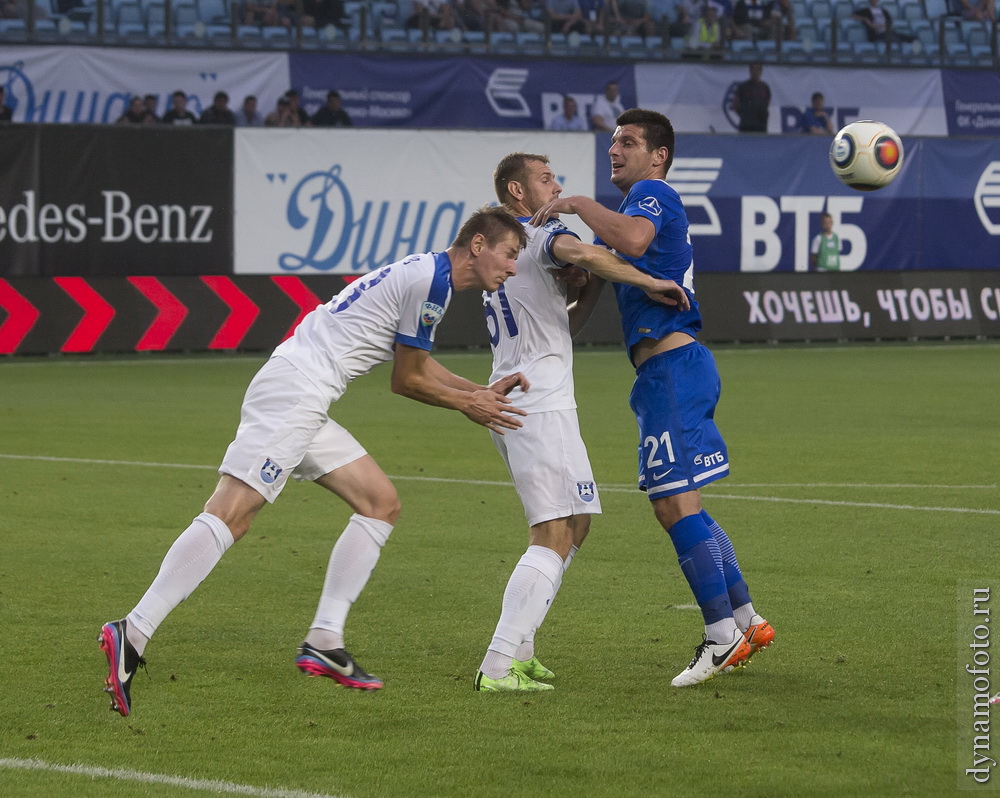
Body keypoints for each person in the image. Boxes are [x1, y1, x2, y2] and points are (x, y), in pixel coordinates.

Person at [98, 207, 530, 717]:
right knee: (232, 513)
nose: (513, 268)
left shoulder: (427, 274)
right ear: (478, 245)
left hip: (302, 391)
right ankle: (134, 629)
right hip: (296, 392)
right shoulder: (430, 282)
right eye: (509, 254)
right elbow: (407, 380)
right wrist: (469, 404)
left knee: (380, 503)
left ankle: (325, 639)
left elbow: (418, 362)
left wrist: (475, 391)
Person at [529, 108, 774, 688]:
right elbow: (583, 311)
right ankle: (745, 618)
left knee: (670, 504)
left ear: (657, 155)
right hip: (668, 369)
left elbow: (634, 237)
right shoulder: (631, 211)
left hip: (671, 368)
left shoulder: (652, 194)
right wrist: (584, 284)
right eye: (613, 142)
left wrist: (579, 204)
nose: (616, 149)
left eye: (629, 142)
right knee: (683, 501)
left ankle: (720, 636)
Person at [474, 153, 691, 692]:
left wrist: (588, 279)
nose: (557, 186)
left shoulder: (508, 256)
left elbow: (565, 317)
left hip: (525, 395)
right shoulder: (533, 236)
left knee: (577, 523)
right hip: (537, 401)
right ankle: (498, 665)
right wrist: (647, 282)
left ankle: (521, 647)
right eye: (546, 179)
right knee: (550, 532)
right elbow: (583, 250)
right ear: (517, 193)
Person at [852, 0, 916, 44]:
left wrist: (885, 26)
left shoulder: (883, 11)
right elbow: (853, 16)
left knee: (911, 38)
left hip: (887, 32)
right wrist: (866, 20)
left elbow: (889, 21)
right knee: (894, 39)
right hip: (877, 35)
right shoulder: (866, 11)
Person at [731, 61, 770, 133]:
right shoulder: (743, 87)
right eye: (753, 69)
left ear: (761, 71)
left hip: (761, 125)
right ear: (750, 71)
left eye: (757, 69)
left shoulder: (765, 87)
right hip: (746, 125)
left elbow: (767, 103)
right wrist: (744, 115)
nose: (755, 72)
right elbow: (735, 105)